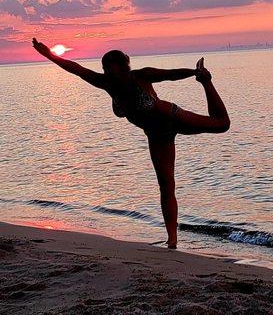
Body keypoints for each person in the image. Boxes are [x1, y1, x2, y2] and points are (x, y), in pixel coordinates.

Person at [32, 38, 230, 249]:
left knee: (222, 124)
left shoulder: (141, 76)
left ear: (121, 66)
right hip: (156, 135)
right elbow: (76, 69)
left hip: (171, 117)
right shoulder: (106, 83)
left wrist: (194, 73)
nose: (105, 70)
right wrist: (49, 55)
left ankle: (206, 82)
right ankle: (172, 239)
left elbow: (170, 74)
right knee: (166, 185)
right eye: (103, 67)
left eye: (109, 67)